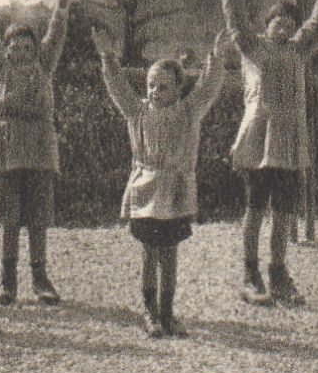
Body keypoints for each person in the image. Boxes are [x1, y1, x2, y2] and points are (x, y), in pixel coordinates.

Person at [217, 0, 318, 306]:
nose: (284, 26)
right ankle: (250, 272)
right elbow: (233, 11)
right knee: (255, 207)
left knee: (284, 210)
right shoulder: (252, 48)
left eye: (290, 21)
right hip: (258, 138)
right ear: (266, 26)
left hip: (290, 138)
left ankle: (279, 272)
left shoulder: (300, 49)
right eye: (277, 21)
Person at [97, 26, 231, 337]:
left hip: (175, 191)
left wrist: (218, 55)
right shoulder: (138, 112)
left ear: (179, 89)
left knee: (170, 254)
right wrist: (107, 56)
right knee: (149, 252)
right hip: (145, 190)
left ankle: (168, 312)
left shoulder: (188, 112)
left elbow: (208, 87)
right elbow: (117, 86)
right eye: (151, 86)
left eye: (164, 87)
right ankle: (150, 311)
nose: (155, 92)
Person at [0, 0, 80, 306]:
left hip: (39, 149)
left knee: (38, 218)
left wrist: (62, 0)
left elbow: (56, 35)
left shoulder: (43, 67)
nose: (21, 50)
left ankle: (40, 278)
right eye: (14, 46)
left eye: (27, 46)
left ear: (36, 51)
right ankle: (7, 281)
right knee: (8, 218)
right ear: (5, 50)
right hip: (4, 149)